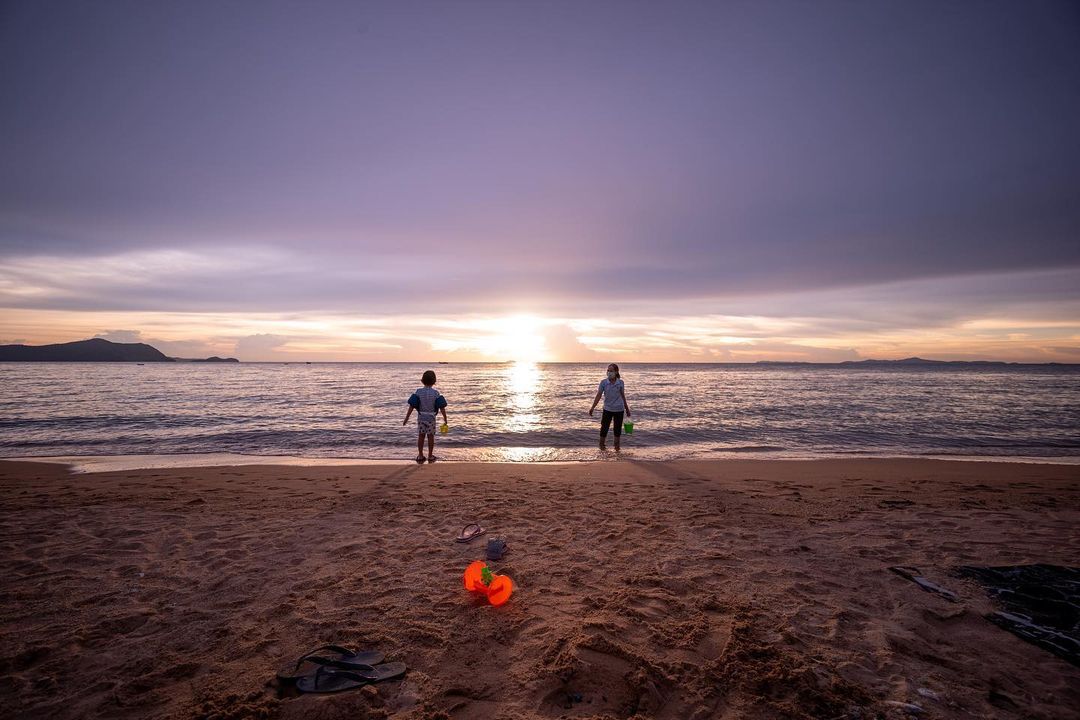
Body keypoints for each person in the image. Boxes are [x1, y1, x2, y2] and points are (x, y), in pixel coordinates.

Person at [404, 370, 448, 463]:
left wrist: (407, 418)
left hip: (421, 418)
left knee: (421, 436)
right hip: (431, 419)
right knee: (430, 437)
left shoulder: (418, 392)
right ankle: (430, 455)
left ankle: (420, 455)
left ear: (422, 381)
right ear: (434, 381)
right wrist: (445, 419)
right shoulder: (436, 393)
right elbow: (441, 407)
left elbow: (412, 405)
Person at [589, 362, 631, 451]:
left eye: (611, 371)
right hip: (607, 409)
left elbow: (623, 396)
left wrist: (627, 409)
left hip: (619, 410)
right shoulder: (604, 382)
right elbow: (598, 395)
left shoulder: (620, 383)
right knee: (604, 429)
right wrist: (592, 407)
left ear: (616, 372)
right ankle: (602, 449)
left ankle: (617, 450)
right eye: (608, 370)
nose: (609, 372)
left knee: (617, 431)